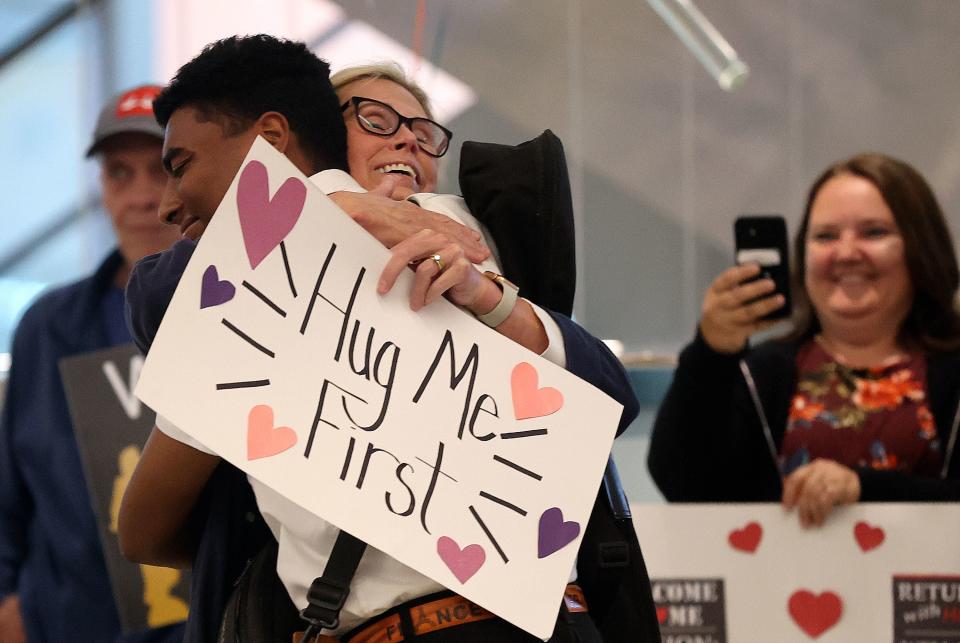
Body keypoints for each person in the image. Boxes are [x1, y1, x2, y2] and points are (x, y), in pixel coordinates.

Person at [118, 37, 651, 642]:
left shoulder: (464, 234)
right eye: (374, 119)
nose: (405, 140)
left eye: (426, 135)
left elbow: (610, 401)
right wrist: (332, 207)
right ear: (314, 137)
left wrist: (490, 296)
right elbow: (142, 525)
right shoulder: (244, 299)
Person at [648, 152, 960, 527]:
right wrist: (711, 352)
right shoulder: (763, 373)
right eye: (825, 236)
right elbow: (683, 484)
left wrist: (863, 489)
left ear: (920, 246)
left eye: (873, 232)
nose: (846, 253)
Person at [0, 86, 184, 642]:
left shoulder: (249, 308)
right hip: (71, 623)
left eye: (162, 169)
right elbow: (11, 489)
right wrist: (8, 600)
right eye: (119, 174)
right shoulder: (48, 326)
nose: (141, 198)